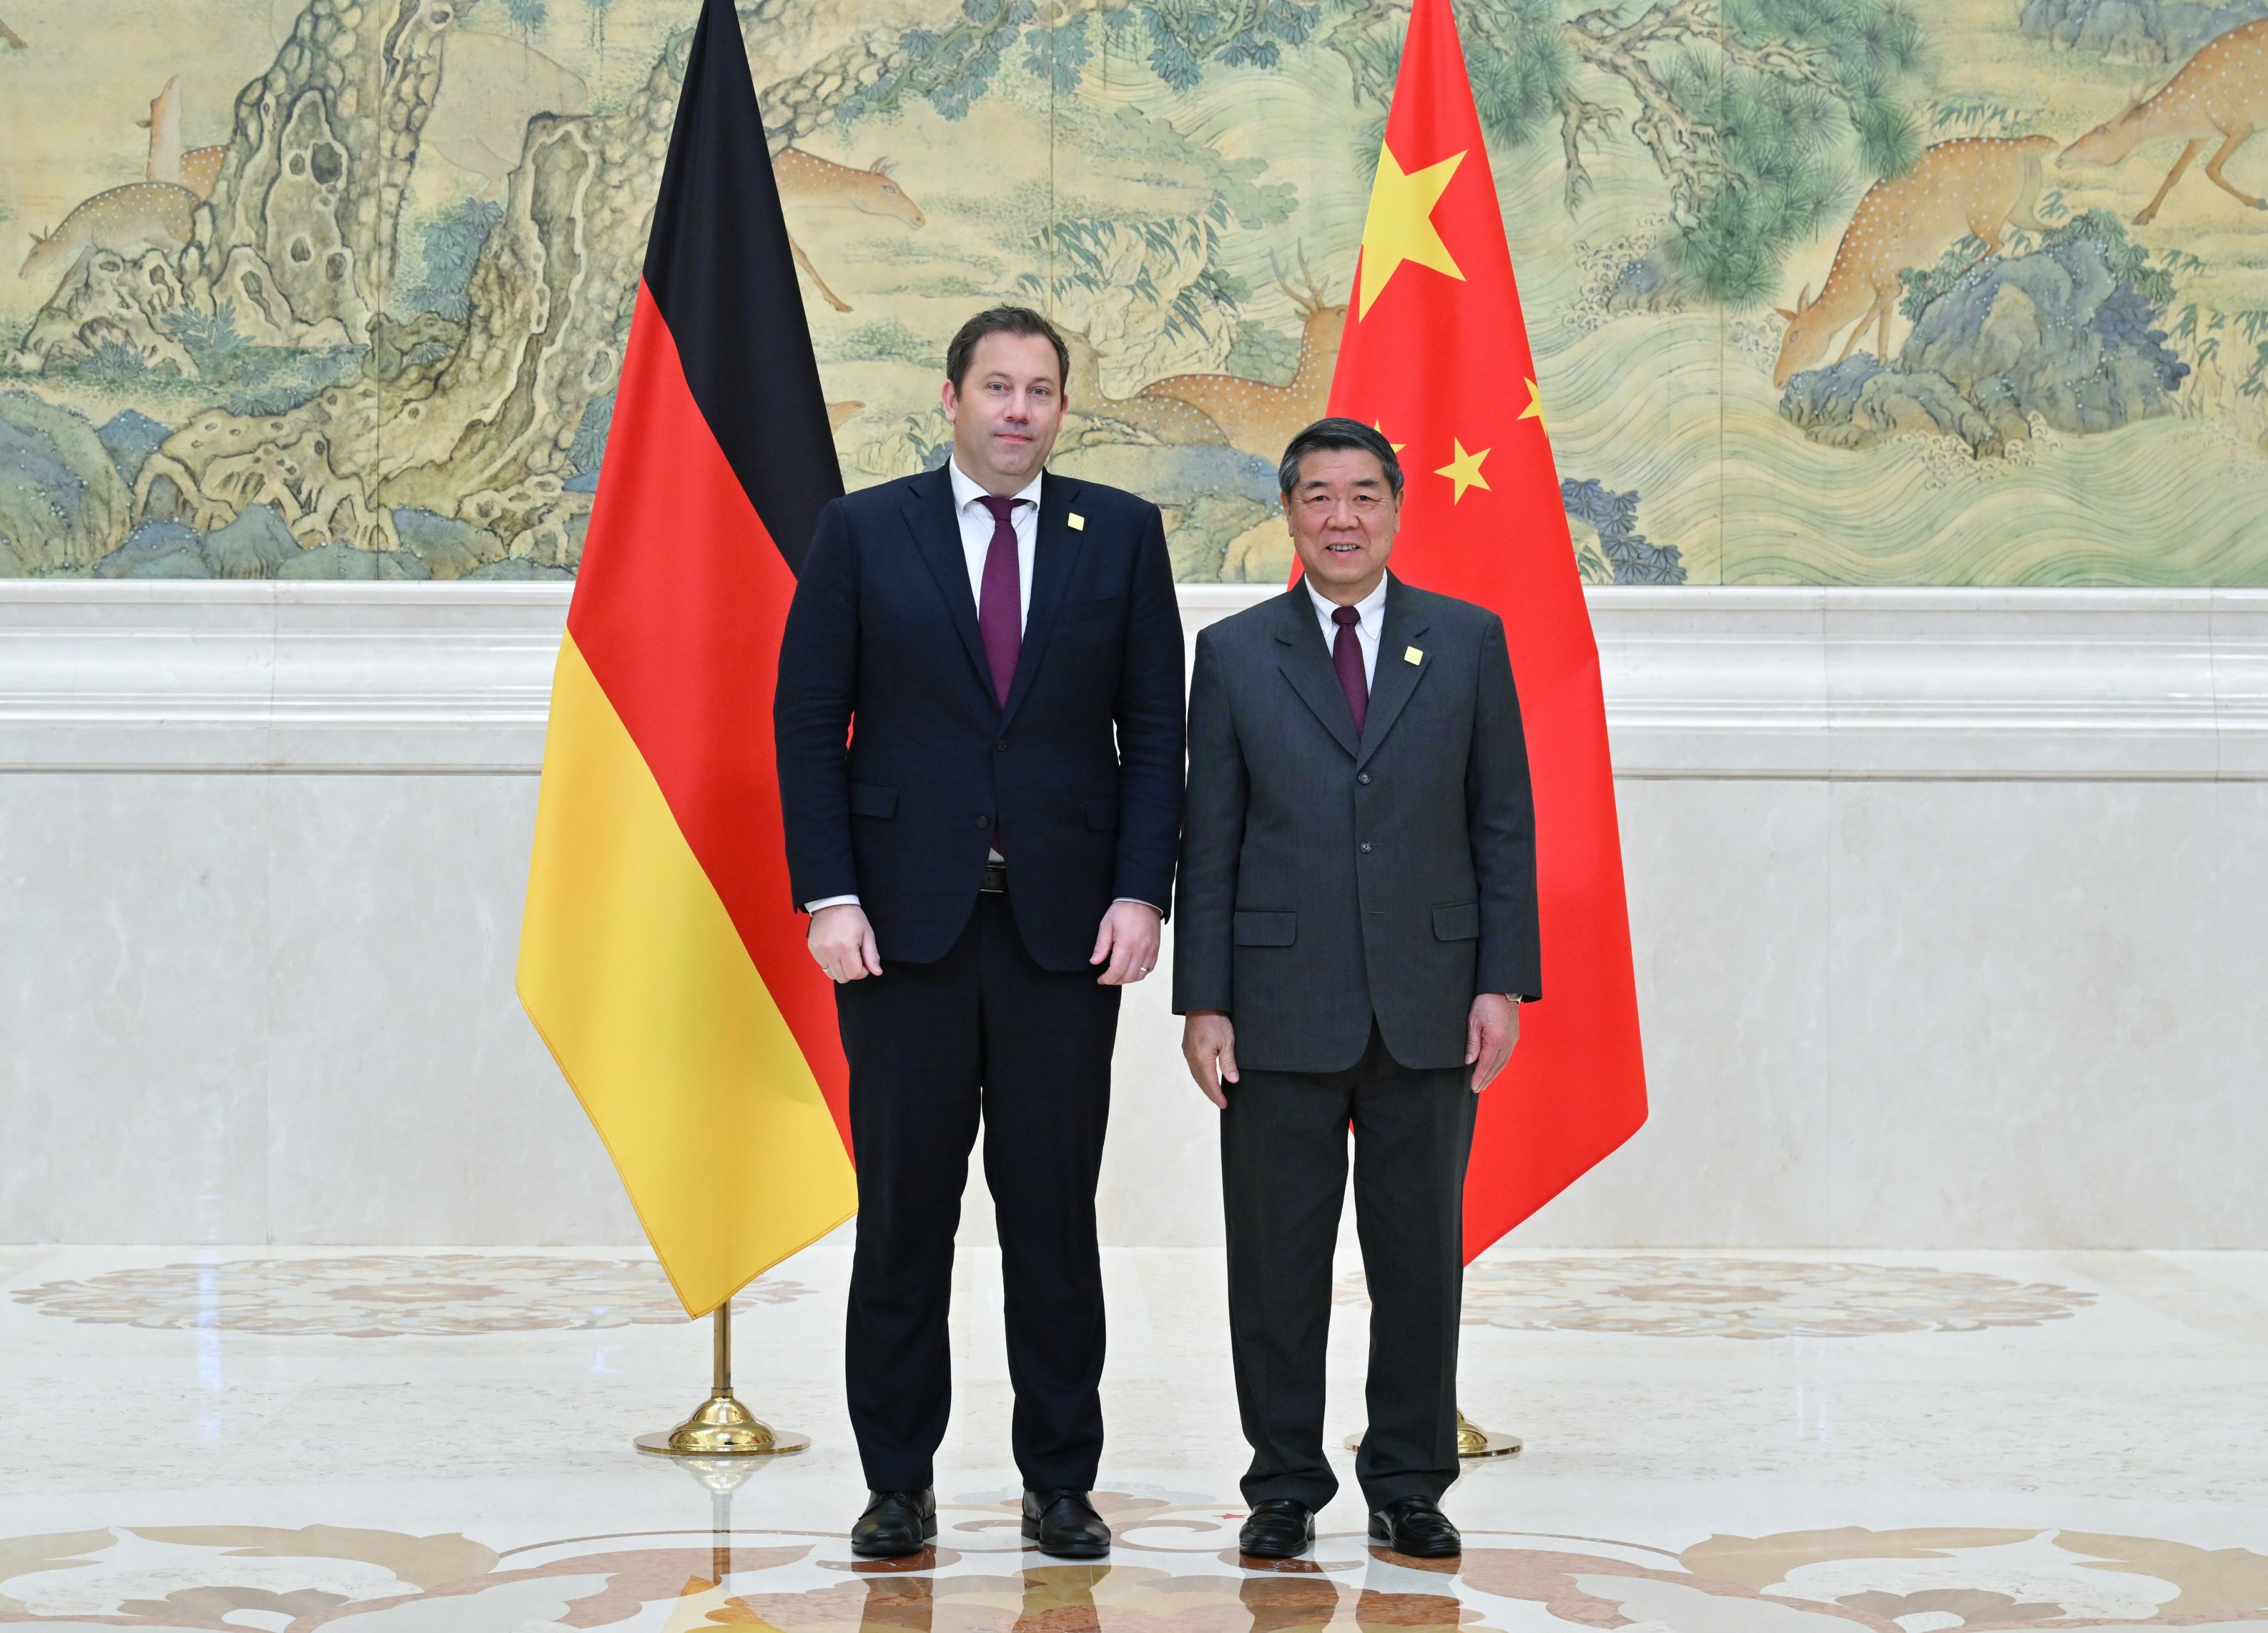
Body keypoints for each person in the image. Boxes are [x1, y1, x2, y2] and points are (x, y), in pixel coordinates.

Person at [775, 306, 1185, 1560]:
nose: (1017, 410)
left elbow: (1151, 733)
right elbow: (808, 724)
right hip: (900, 936)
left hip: (1065, 938)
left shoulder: (1116, 533)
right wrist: (828, 894)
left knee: (1052, 1215)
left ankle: (1059, 1480)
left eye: (1041, 390)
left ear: (1064, 409)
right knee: (906, 1214)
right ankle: (895, 1480)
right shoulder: (862, 530)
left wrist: (1140, 891)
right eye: (996, 387)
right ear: (948, 397)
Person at [1172, 417, 1540, 1560]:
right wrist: (1204, 1000)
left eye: (1364, 495)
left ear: (1395, 509)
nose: (1342, 517)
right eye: (1318, 497)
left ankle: (1408, 1479)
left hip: (1430, 1001)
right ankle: (1281, 1482)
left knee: (1418, 1259)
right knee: (1275, 1260)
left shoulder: (1466, 641)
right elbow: (1209, 839)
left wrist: (1500, 983)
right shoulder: (1234, 653)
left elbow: (1500, 822)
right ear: (1286, 513)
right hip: (1276, 1004)